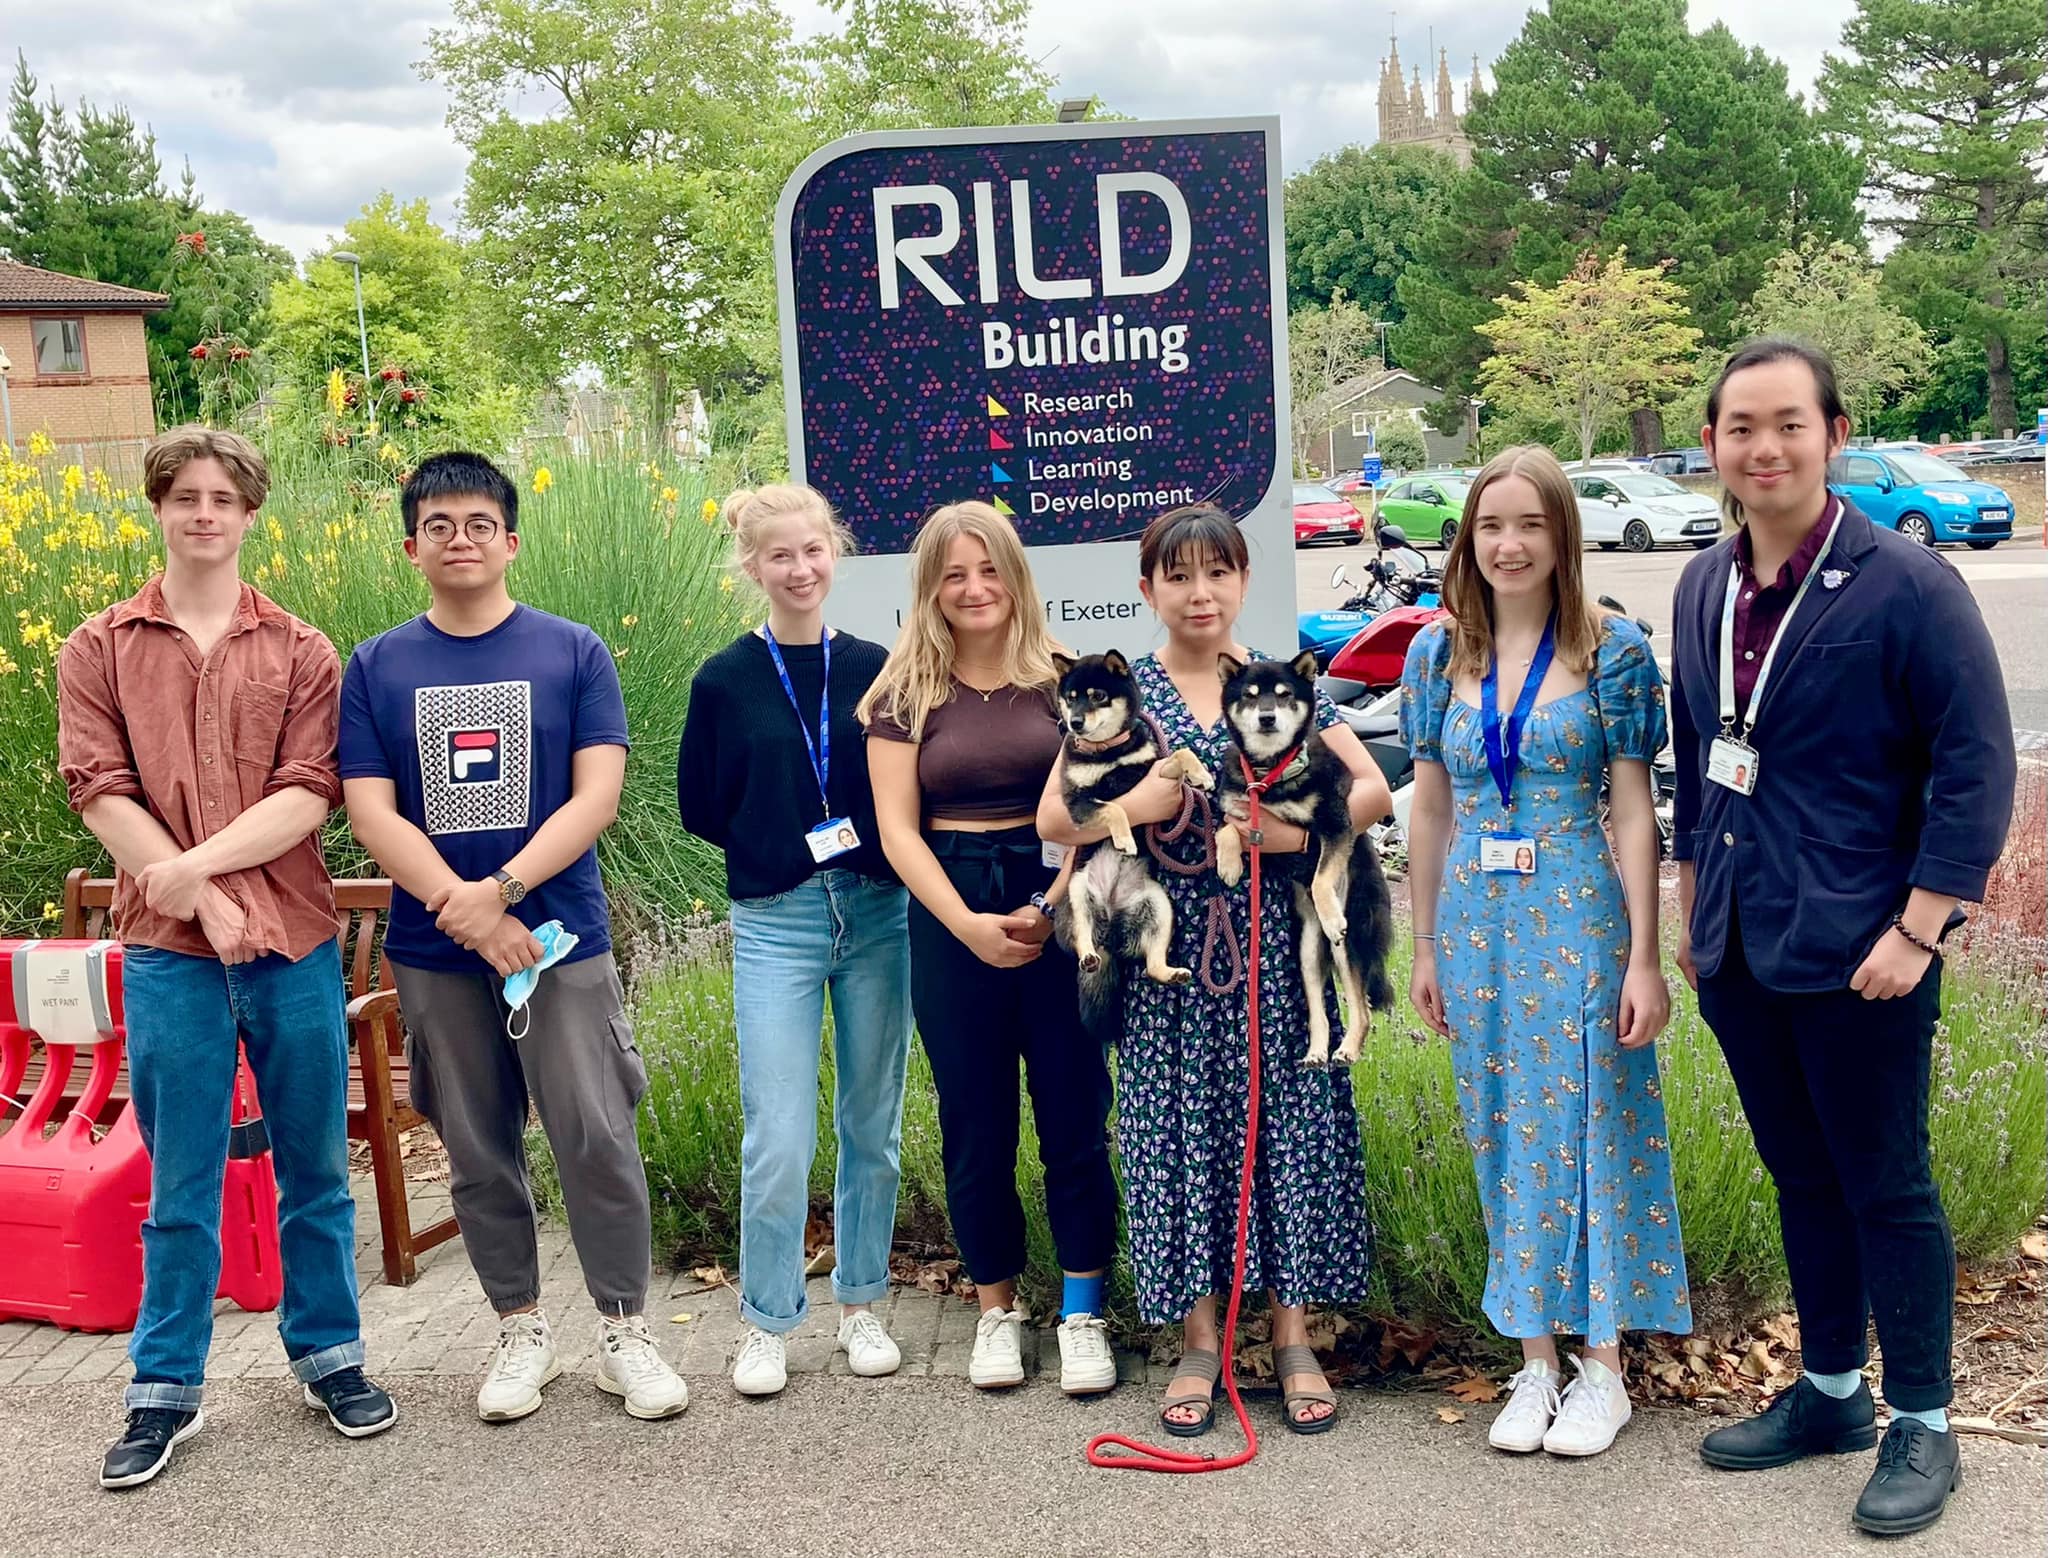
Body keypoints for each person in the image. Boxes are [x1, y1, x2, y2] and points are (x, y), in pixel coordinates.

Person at [1674, 340, 2015, 1534]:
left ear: (1830, 432)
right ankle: (1830, 1392)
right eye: (1738, 427)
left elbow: (1974, 763)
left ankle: (1922, 1418)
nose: (1761, 449)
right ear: (1710, 443)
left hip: (1864, 948)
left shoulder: (1904, 585)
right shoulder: (1702, 587)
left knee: (1886, 1182)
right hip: (1739, 942)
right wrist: (1687, 902)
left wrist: (1919, 927)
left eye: (1785, 425)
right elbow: (1696, 761)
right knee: (1800, 1174)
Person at [57, 427, 396, 1489]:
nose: (204, 513)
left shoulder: (302, 648)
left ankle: (329, 1355)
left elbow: (309, 791)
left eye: (223, 497)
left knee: (312, 1166)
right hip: (168, 954)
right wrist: (195, 899)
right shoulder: (97, 646)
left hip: (291, 940)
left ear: (252, 514)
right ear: (158, 507)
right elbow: (98, 788)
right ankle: (163, 1389)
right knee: (182, 1178)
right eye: (184, 496)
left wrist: (197, 871)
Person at [340, 452, 688, 1424]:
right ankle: (518, 1329)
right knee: (477, 1147)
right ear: (412, 546)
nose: (460, 539)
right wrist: (461, 906)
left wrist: (500, 893)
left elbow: (598, 794)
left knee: (594, 1136)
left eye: (478, 522)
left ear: (510, 540)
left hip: (560, 942)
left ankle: (626, 1330)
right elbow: (370, 808)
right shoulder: (376, 664)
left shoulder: (572, 651)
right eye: (439, 524)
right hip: (435, 950)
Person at [1037, 503, 1390, 1437]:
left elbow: (1376, 788)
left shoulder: (1274, 683)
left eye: (1219, 573)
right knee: (1178, 1135)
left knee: (1289, 1128)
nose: (1201, 593)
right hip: (1168, 960)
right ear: (1148, 589)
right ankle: (1200, 1342)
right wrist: (1147, 798)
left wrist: (1283, 833)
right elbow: (1054, 820)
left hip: (1278, 955)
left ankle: (1292, 1335)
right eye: (1179, 576)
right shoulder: (1127, 694)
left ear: (1243, 582)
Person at [1400, 446, 1685, 1460]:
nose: (1508, 545)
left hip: (1576, 911)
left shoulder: (1610, 651)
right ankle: (1533, 1358)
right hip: (1475, 921)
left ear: (1561, 534)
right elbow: (1428, 804)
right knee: (1498, 1126)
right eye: (1489, 526)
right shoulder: (1434, 655)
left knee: (1589, 1119)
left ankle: (1601, 1364)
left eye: (1528, 524)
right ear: (1466, 538)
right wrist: (1424, 943)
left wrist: (1645, 954)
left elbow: (1633, 806)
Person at [860, 501, 1118, 1397]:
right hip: (947, 909)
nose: (974, 589)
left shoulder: (1064, 680)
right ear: (930, 587)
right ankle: (995, 1312)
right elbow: (897, 833)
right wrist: (967, 925)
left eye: (989, 569)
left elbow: (1092, 810)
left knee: (1076, 1121)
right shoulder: (901, 697)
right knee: (976, 1127)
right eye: (954, 574)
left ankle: (1083, 1312)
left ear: (1017, 577)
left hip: (1063, 905)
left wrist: (1048, 907)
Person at [678, 484, 912, 1397]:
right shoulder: (725, 679)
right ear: (753, 567)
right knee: (778, 1132)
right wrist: (780, 841)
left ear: (834, 552)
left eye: (813, 550)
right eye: (780, 556)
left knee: (872, 1124)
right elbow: (702, 805)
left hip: (876, 913)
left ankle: (860, 1305)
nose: (800, 569)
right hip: (778, 916)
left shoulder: (880, 668)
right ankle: (769, 1319)